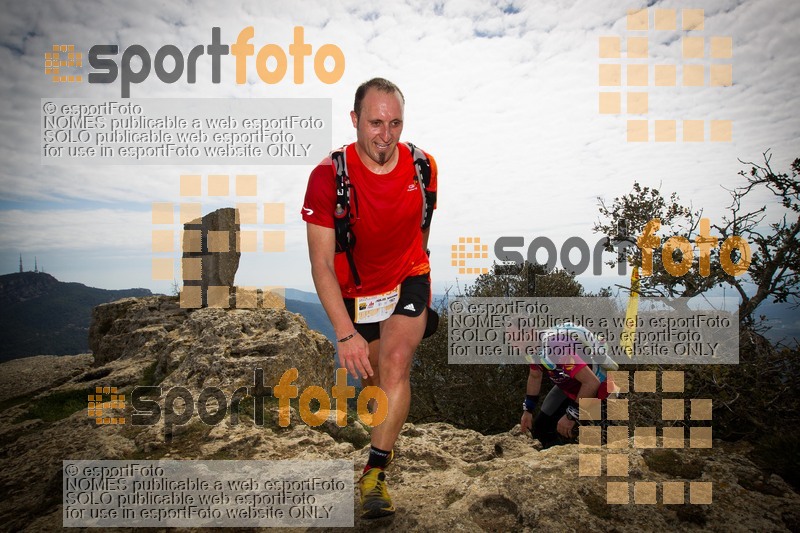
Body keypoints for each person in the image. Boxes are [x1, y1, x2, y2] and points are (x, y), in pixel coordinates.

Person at [301, 77, 438, 519]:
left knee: (396, 361)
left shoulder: (423, 167)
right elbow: (321, 263)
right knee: (375, 387)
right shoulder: (327, 177)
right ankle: (385, 439)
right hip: (356, 294)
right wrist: (345, 334)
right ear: (355, 120)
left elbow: (422, 227)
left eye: (395, 122)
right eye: (376, 122)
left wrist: (416, 270)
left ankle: (374, 473)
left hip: (407, 280)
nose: (386, 134)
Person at [518, 323, 617, 448]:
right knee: (541, 429)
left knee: (603, 442)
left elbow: (592, 382)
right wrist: (528, 410)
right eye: (509, 338)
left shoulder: (556, 348)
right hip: (572, 387)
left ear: (530, 332)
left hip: (600, 390)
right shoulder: (531, 348)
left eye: (516, 337)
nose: (513, 343)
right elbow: (535, 376)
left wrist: (571, 416)